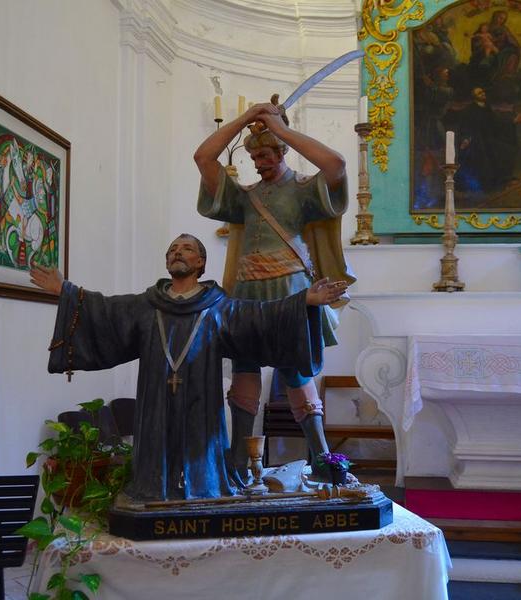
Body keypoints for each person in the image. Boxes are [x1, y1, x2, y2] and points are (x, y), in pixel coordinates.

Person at [30, 234, 348, 502]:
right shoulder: (146, 305)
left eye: (186, 249)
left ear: (200, 263)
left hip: (201, 404)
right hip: (156, 404)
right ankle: (151, 488)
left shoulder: (219, 307)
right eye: (172, 250)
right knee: (151, 481)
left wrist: (304, 300)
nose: (177, 252)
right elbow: (108, 312)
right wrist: (66, 292)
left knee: (204, 474)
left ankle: (205, 486)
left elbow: (261, 316)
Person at [193, 100, 355, 484]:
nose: (259, 162)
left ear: (282, 151)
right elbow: (203, 157)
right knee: (244, 368)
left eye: (267, 154)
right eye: (255, 156)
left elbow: (336, 166)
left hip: (292, 291)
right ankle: (237, 461)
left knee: (296, 370)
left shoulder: (302, 189)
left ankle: (322, 458)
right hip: (247, 291)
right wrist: (247, 119)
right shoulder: (244, 197)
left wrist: (280, 128)